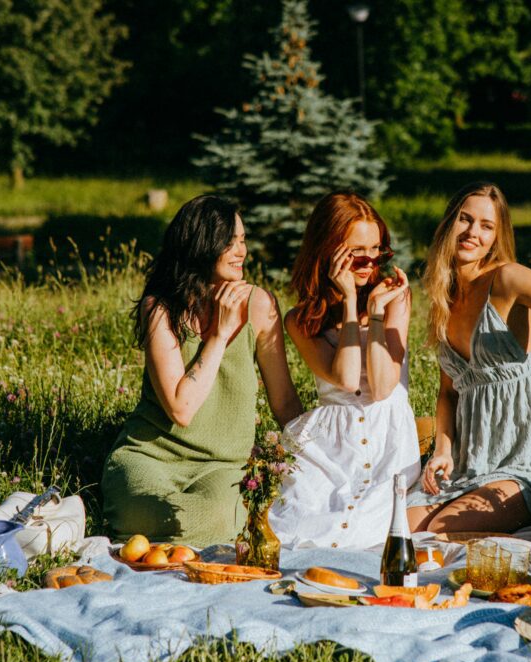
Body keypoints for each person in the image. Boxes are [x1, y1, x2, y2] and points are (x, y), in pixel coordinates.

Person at [102, 195, 303, 548]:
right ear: (200, 244)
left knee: (217, 518)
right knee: (151, 509)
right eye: (229, 242)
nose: (241, 251)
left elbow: (284, 400)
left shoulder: (259, 305)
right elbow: (181, 409)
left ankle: (162, 538)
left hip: (222, 468)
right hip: (151, 457)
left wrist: (319, 456)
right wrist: (220, 334)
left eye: (242, 240)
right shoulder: (160, 308)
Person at [406, 182, 531, 534]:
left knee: (438, 532)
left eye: (486, 226)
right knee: (400, 528)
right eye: (465, 220)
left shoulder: (508, 279)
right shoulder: (444, 296)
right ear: (449, 224)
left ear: (497, 236)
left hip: (526, 467)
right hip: (467, 468)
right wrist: (442, 451)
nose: (472, 233)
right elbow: (449, 392)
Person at [269, 191, 421, 549]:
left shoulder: (394, 297)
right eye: (357, 253)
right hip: (331, 443)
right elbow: (348, 378)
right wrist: (352, 303)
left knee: (370, 522)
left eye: (377, 250)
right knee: (298, 520)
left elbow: (382, 387)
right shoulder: (301, 319)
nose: (369, 261)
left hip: (388, 438)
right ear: (329, 251)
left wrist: (377, 314)